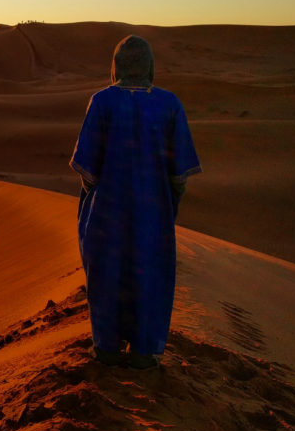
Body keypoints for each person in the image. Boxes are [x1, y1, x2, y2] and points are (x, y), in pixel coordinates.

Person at [70, 35, 201, 369]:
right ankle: (145, 351)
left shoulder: (101, 101)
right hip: (153, 213)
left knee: (107, 273)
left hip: (107, 213)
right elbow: (179, 174)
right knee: (150, 273)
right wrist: (166, 201)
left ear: (117, 64)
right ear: (149, 64)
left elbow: (87, 169)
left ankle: (107, 348)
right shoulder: (169, 104)